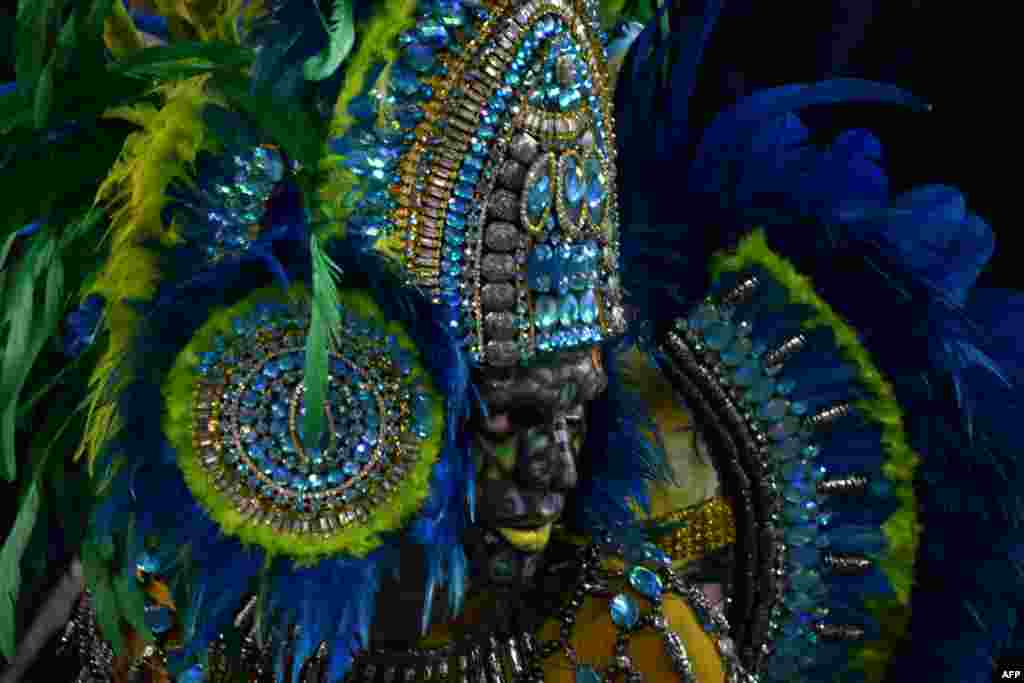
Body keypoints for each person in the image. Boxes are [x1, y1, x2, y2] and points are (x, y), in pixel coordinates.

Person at [1, 1, 1020, 682]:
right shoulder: (176, 607)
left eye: (575, 412)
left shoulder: (631, 641)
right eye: (512, 415)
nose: (553, 465)